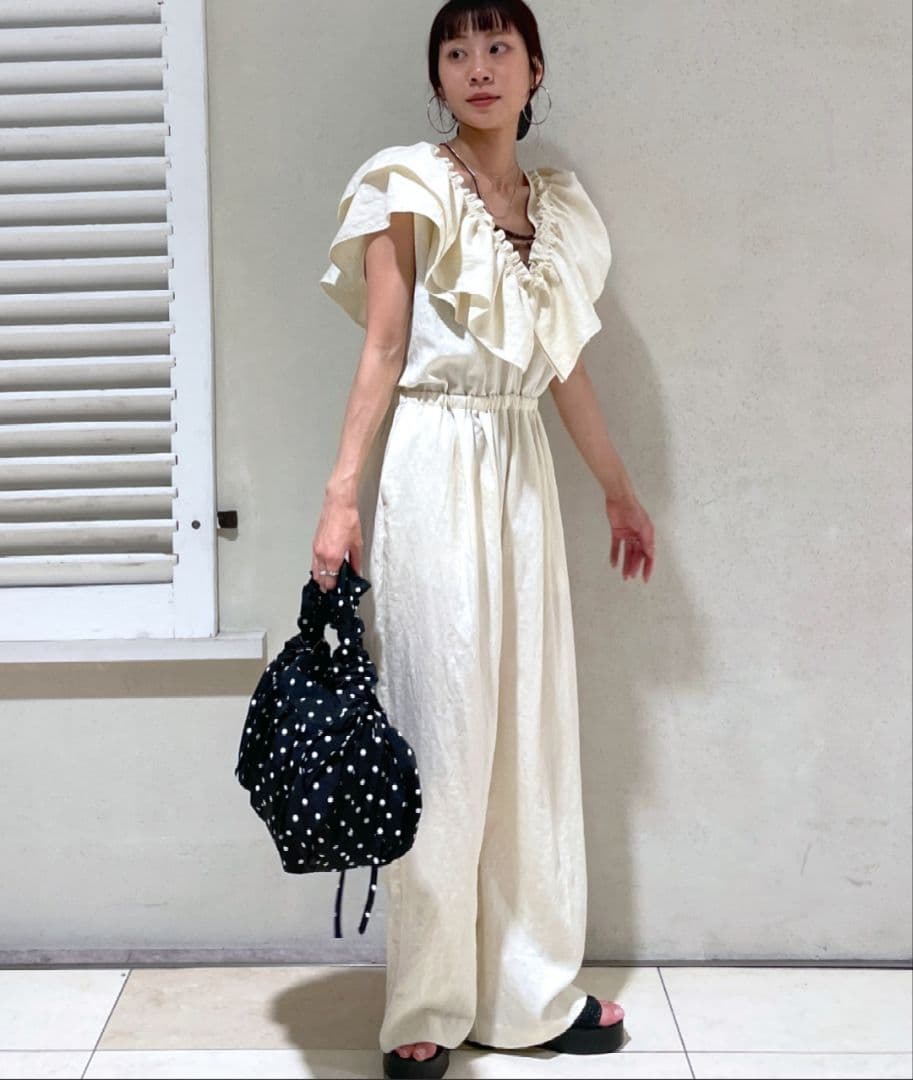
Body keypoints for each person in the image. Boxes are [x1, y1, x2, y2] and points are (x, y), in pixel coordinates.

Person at [313, 2, 655, 1076]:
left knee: (529, 728)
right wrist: (340, 496)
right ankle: (426, 1003)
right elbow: (382, 349)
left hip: (520, 467)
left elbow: (563, 369)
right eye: (455, 51)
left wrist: (617, 489)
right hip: (433, 460)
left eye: (497, 46)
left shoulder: (556, 211)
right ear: (438, 77)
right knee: (440, 728)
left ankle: (530, 992)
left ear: (533, 67)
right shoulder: (407, 184)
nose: (477, 67)